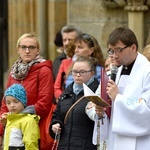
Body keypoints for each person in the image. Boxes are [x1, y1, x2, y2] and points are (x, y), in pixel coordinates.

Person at [95, 27, 150, 150]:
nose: (114, 56)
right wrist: (102, 110)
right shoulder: (116, 72)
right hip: (116, 138)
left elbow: (147, 108)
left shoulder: (147, 71)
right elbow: (112, 108)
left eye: (118, 50)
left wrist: (118, 98)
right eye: (111, 51)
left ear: (133, 47)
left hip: (141, 141)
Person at [0, 33, 54, 150]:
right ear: (18, 49)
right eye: (23, 47)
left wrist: (19, 117)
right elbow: (6, 102)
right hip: (13, 128)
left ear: (38, 50)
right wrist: (1, 128)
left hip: (34, 127)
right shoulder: (14, 72)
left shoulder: (44, 70)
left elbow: (45, 102)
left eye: (32, 47)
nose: (27, 51)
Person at [50, 56, 100, 150]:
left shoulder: (97, 93)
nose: (77, 75)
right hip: (64, 146)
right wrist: (55, 125)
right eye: (75, 72)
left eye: (82, 72)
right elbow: (57, 116)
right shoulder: (66, 93)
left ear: (92, 73)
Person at [54, 33, 105, 100]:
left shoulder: (99, 71)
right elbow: (60, 87)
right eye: (75, 47)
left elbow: (99, 94)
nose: (76, 50)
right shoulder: (71, 67)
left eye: (80, 47)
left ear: (91, 50)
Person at [2, 83, 40, 150]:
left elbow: (31, 145)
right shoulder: (10, 119)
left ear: (23, 102)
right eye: (8, 103)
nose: (12, 105)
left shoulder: (29, 121)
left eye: (16, 101)